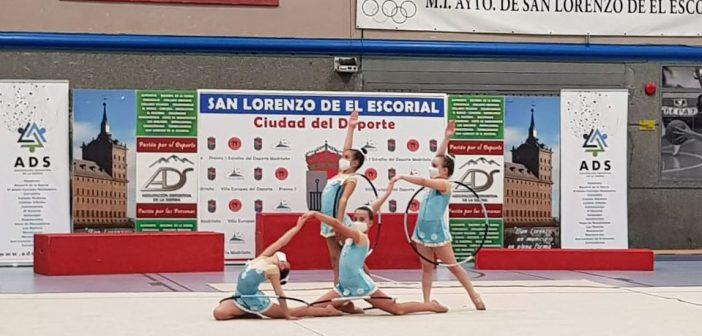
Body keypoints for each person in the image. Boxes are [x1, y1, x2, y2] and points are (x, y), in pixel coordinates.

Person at [302, 182, 449, 315]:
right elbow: (373, 208)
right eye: (355, 218)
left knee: (397, 309)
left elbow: (337, 224)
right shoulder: (353, 231)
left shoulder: (360, 238)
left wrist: (316, 214)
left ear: (371, 223)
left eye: (362, 219)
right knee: (313, 307)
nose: (356, 221)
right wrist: (387, 192)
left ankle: (430, 305)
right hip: (344, 287)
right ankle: (344, 307)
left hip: (362, 285)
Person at [391, 121, 486, 311]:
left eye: (435, 166)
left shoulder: (444, 185)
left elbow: (425, 180)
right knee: (426, 269)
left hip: (437, 234)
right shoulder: (436, 179)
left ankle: (474, 295)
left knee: (453, 266)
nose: (432, 167)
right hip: (422, 232)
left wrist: (402, 176)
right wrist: (447, 138)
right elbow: (440, 158)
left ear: (445, 172)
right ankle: (426, 301)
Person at [213, 216, 342, 320]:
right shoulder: (262, 258)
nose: (285, 263)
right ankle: (246, 313)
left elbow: (280, 294)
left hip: (256, 301)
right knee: (219, 313)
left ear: (280, 266)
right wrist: (297, 227)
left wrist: (287, 315)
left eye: (286, 265)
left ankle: (326, 311)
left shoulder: (272, 270)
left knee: (295, 311)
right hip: (240, 297)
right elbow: (281, 242)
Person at [320, 110, 367, 284]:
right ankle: (339, 290)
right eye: (342, 157)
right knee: (335, 259)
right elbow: (347, 148)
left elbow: (343, 200)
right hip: (327, 220)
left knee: (352, 257)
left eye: (346, 158)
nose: (342, 158)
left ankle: (369, 287)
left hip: (338, 220)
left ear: (354, 163)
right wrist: (350, 128)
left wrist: (339, 225)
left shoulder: (351, 178)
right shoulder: (340, 173)